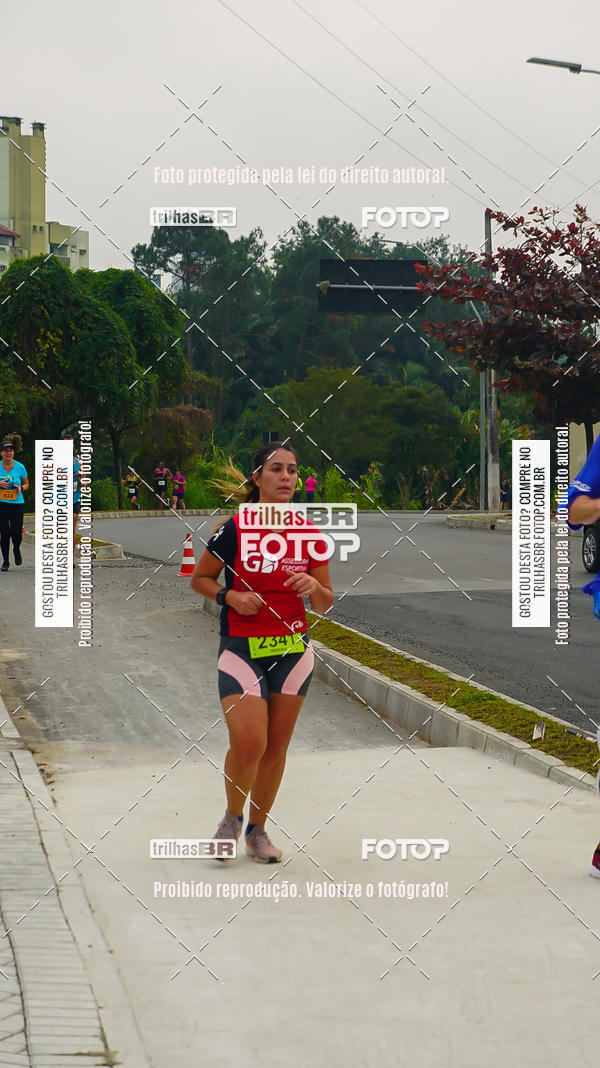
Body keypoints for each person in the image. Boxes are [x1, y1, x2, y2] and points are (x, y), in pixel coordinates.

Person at [190, 443, 334, 863]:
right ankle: (231, 819)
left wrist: (314, 587)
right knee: (250, 742)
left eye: (292, 470)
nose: (286, 477)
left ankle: (257, 831)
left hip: (293, 652)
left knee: (275, 747)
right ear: (257, 478)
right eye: (276, 469)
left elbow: (326, 601)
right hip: (242, 647)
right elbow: (200, 579)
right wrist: (231, 597)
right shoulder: (235, 529)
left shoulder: (308, 532)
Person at [0, 435, 29, 572]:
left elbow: (27, 484)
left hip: (17, 503)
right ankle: (5, 561)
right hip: (2, 503)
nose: (8, 453)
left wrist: (21, 488)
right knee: (4, 532)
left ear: (13, 453)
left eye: (10, 450)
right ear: (1, 453)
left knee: (16, 532)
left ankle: (16, 548)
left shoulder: (20, 467)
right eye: (6, 451)